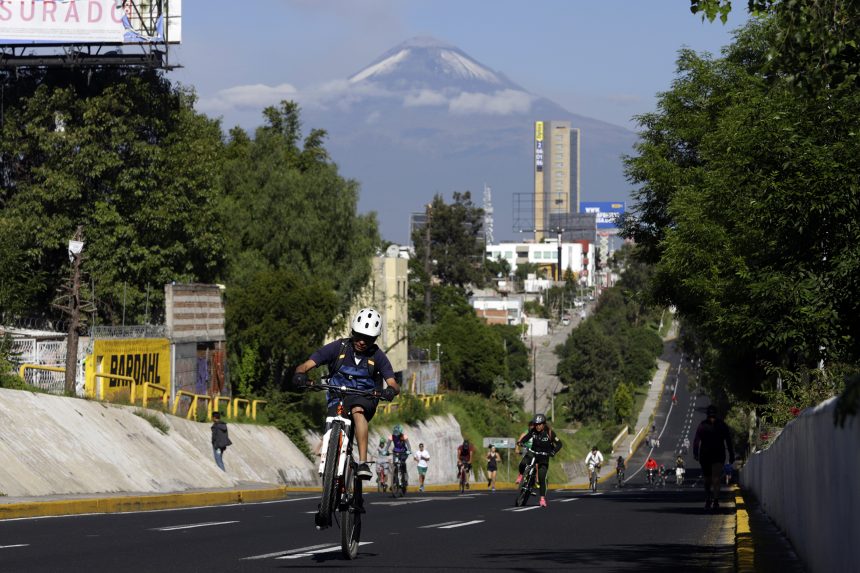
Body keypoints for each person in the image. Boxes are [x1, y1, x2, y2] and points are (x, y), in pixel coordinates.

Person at [293, 308, 400, 480]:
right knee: (333, 415)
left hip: (365, 398)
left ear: (374, 339)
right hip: (338, 396)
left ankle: (363, 463)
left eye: (368, 338)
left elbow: (393, 382)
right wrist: (300, 374)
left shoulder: (378, 356)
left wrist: (390, 390)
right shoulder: (338, 347)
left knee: (358, 410)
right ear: (352, 332)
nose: (362, 342)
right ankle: (330, 456)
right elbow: (306, 365)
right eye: (359, 336)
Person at [693, 405, 735, 510]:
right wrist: (731, 454)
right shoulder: (722, 425)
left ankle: (709, 499)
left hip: (706, 455)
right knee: (715, 478)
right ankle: (715, 500)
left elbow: (696, 441)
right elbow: (728, 441)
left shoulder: (702, 425)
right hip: (717, 455)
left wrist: (695, 453)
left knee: (708, 479)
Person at [516, 414, 563, 507]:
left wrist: (553, 452)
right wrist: (521, 442)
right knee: (523, 463)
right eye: (536, 424)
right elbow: (526, 437)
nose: (537, 426)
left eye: (540, 424)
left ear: (544, 424)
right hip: (533, 452)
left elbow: (559, 444)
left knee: (542, 477)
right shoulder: (533, 431)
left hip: (544, 456)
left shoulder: (550, 433)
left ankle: (542, 499)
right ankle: (521, 474)